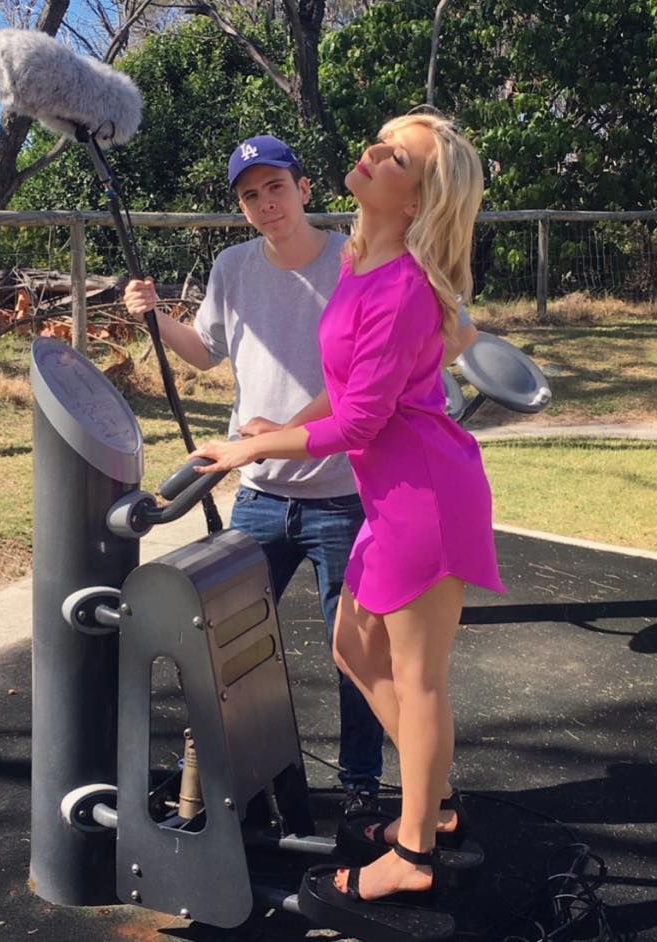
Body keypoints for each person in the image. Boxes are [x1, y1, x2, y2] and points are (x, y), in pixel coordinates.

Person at [187, 112, 504, 914]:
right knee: (353, 645)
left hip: (426, 496)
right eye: (380, 139)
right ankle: (435, 802)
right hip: (392, 495)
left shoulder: (402, 286)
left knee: (418, 681)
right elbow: (352, 388)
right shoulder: (364, 259)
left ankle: (415, 851)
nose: (370, 152)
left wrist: (251, 450)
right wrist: (275, 428)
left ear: (417, 198)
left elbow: (360, 423)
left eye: (394, 156)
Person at [123, 133, 477, 812]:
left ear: (304, 188)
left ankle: (364, 787)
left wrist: (279, 437)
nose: (266, 203)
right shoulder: (233, 267)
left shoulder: (360, 256)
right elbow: (204, 352)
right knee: (223, 636)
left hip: (342, 493)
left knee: (362, 658)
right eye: (250, 195)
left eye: (276, 187)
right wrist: (156, 318)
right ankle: (231, 778)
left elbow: (412, 360)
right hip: (261, 493)